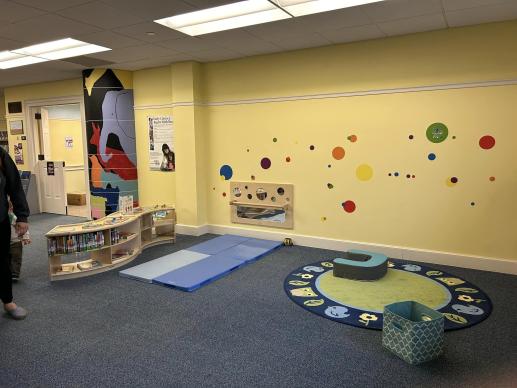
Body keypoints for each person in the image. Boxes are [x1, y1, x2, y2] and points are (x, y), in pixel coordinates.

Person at [0, 146, 29, 320]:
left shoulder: (1, 155)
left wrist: (22, 216)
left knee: (2, 263)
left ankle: (8, 301)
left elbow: (15, 186)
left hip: (0, 220)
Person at [9, 200, 31, 282]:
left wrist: (26, 237)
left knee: (16, 258)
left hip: (16, 241)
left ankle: (15, 274)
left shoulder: (14, 218)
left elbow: (23, 228)